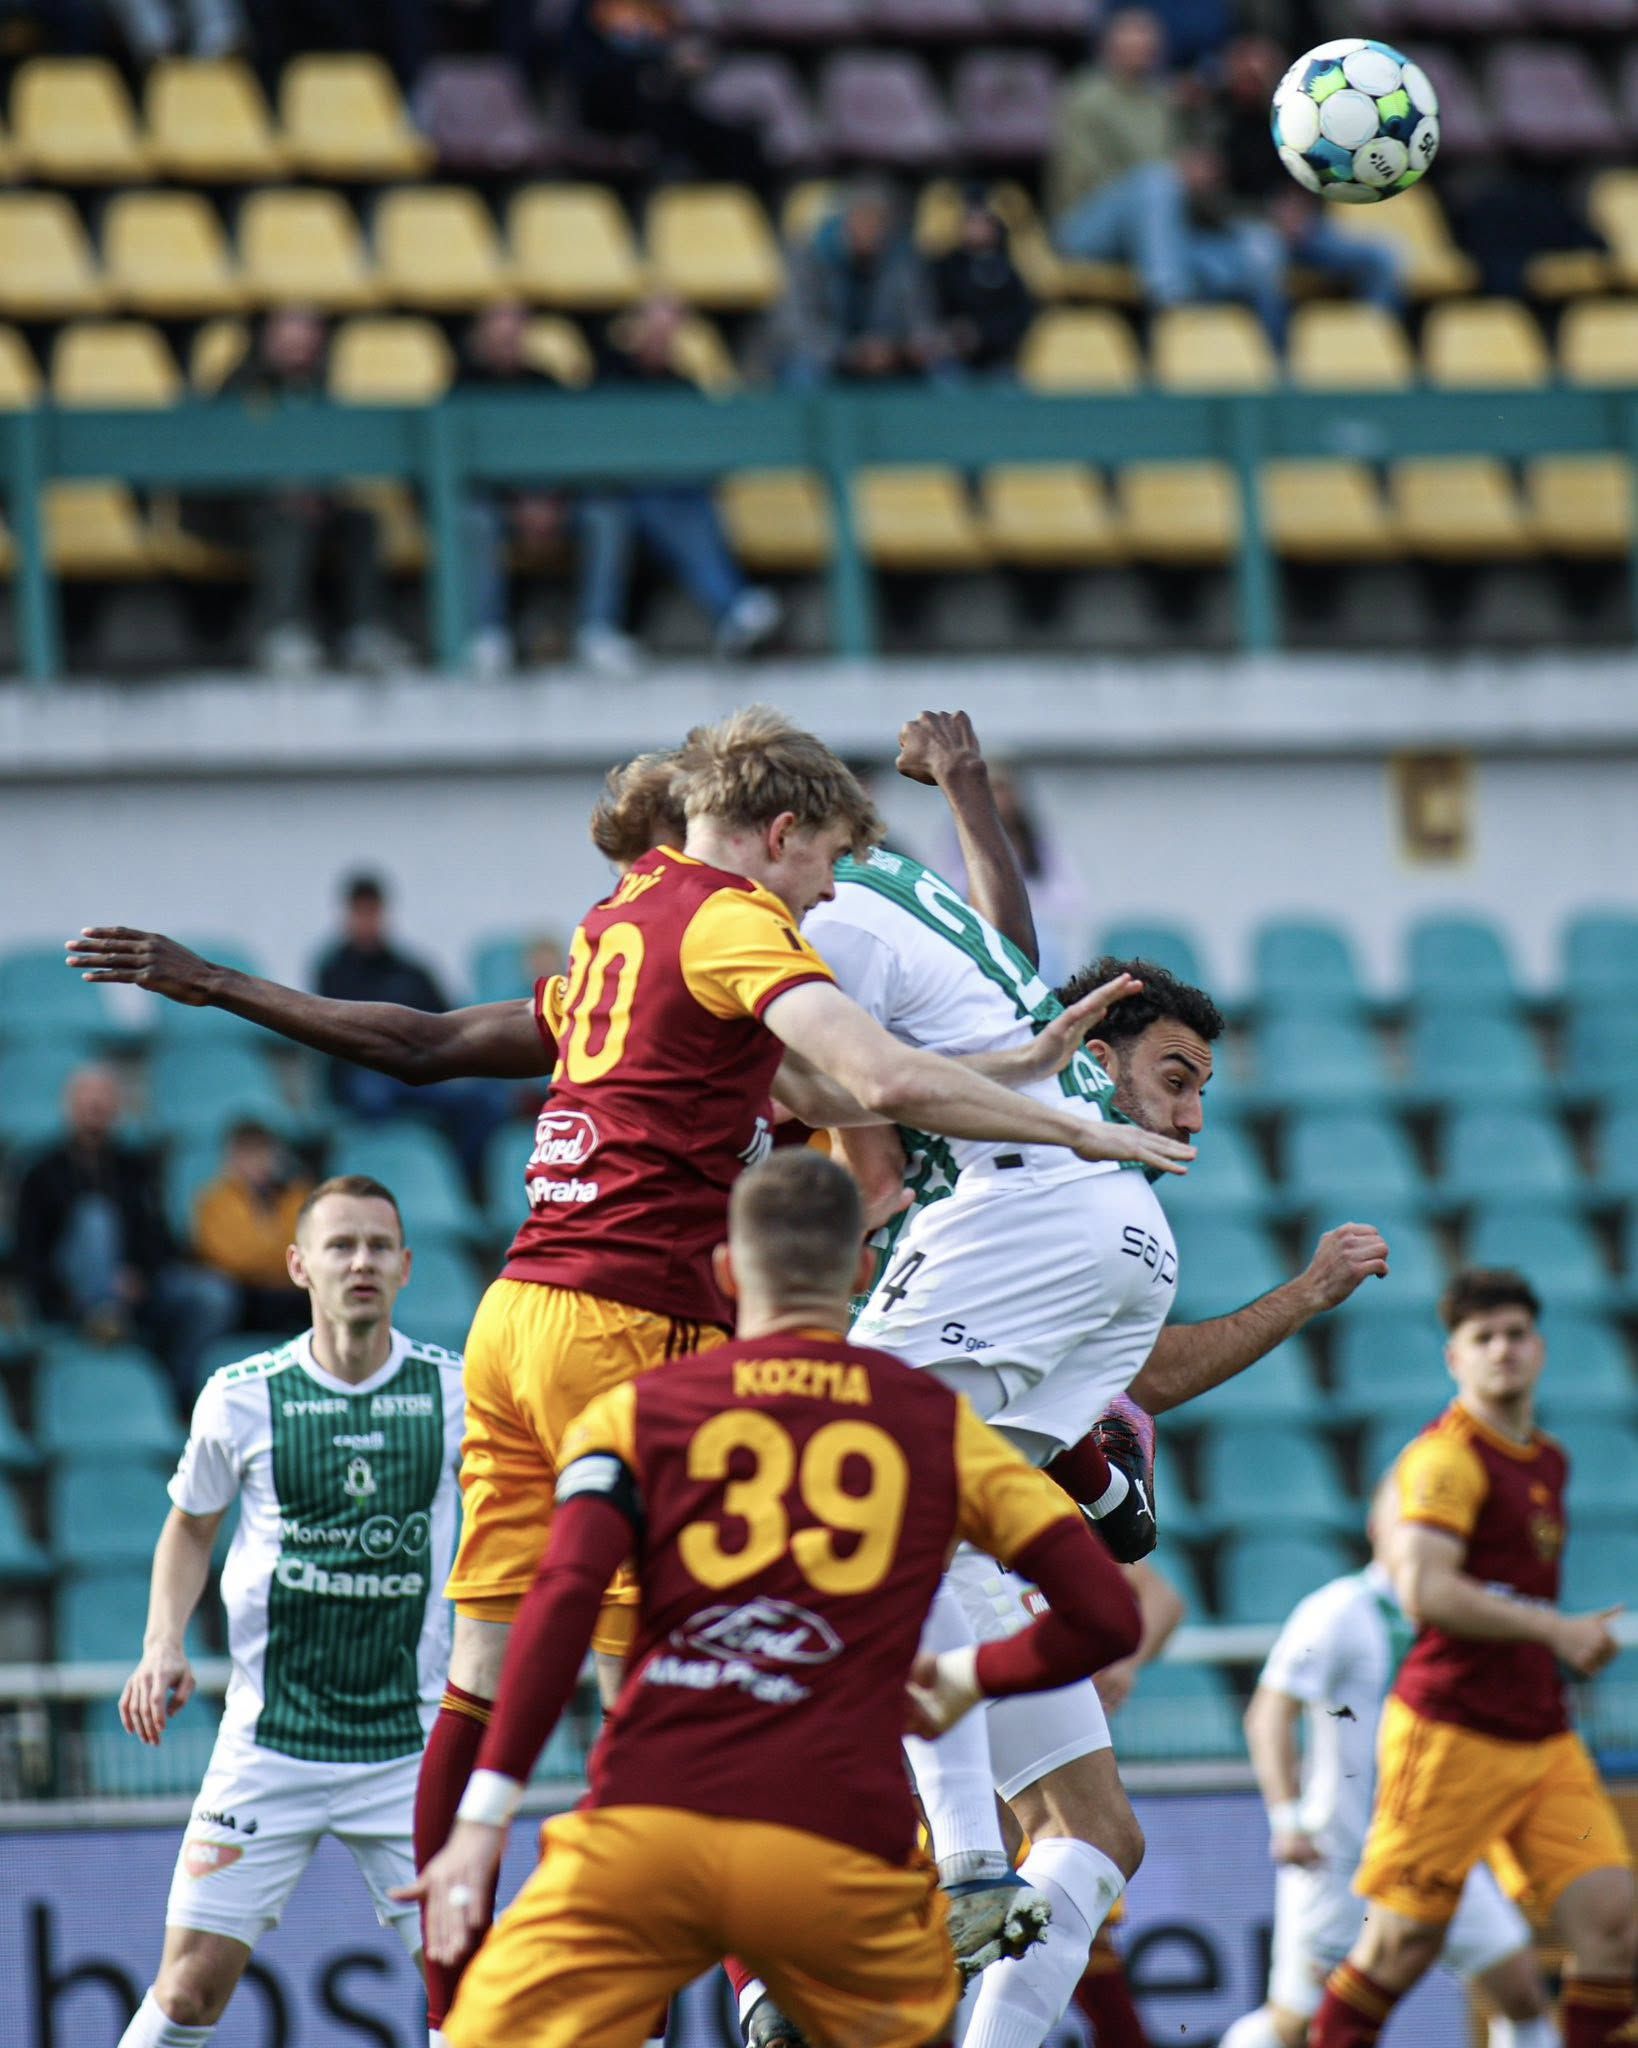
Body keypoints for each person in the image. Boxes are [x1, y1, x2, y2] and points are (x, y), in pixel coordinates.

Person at [69, 709, 1193, 2040]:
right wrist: (1075, 1127)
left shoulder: (618, 924)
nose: (829, 895)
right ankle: (748, 1978)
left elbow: (442, 1047)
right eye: (825, 863)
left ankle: (452, 2010)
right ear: (779, 834)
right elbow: (875, 1070)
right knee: (704, 1668)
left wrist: (222, 985)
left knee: (479, 1682)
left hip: (517, 1316)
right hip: (633, 1326)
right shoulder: (735, 921)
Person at [742, 872, 1388, 2046]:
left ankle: (888, 1937)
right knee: (895, 1507)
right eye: (1175, 1080)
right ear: (1093, 1049)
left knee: (1099, 1829)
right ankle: (902, 1898)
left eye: (1204, 1092)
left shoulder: (1054, 1175)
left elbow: (1149, 1371)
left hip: (959, 1519)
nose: (1194, 1119)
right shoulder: (1024, 1153)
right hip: (912, 1485)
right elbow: (1008, 954)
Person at [399, 1148, 1146, 2048]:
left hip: (651, 1825)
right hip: (834, 1850)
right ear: (865, 1270)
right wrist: (970, 1677)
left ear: (723, 1273)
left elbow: (562, 1602)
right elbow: (1107, 1616)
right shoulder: (932, 1426)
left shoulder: (637, 1414)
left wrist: (484, 1818)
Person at [112, 1175, 466, 2048]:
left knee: (472, 1991)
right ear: (298, 1265)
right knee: (190, 1991)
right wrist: (162, 1643)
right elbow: (189, 1529)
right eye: (341, 1246)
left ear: (408, 1267)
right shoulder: (241, 1392)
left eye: (380, 1246)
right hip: (271, 1744)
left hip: (408, 1749)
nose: (362, 1262)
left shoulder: (458, 1396)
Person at [1308, 1269, 1637, 2048]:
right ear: (1455, 1358)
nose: (1504, 1351)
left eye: (1516, 1334)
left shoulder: (1547, 1459)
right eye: (1483, 1338)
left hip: (1541, 1736)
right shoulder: (1445, 1460)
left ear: (1541, 1348)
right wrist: (1556, 1633)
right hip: (1451, 1736)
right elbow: (1426, 1591)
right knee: (1399, 1948)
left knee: (1616, 1931)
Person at [1223, 1475, 1557, 2048]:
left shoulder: (1471, 1612)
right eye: (1413, 1520)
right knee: (1298, 2025)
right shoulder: (1336, 1611)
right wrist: (1286, 1818)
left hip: (1441, 1849)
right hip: (1344, 1858)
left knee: (1523, 1995)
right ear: (1378, 1528)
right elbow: (1269, 1711)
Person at [574, 297, 782, 678]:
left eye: (669, 329)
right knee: (654, 503)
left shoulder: (682, 382)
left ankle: (734, 609)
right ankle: (732, 605)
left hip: (672, 490)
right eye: (655, 326)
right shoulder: (610, 371)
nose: (661, 337)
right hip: (617, 489)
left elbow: (701, 445)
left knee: (693, 499)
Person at [1045, 10, 1283, 339]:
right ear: (1110, 49)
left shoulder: (1164, 99)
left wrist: (1198, 175)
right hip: (1086, 226)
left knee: (1259, 243)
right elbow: (1085, 179)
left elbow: (1184, 172)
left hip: (1158, 230)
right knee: (1156, 184)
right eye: (1133, 45)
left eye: (1149, 46)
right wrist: (1174, 177)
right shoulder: (1087, 98)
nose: (1143, 53)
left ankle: (1271, 352)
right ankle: (1174, 314)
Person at [15, 1064, 235, 1407]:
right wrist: (63, 1294)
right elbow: (29, 1251)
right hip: (71, 1297)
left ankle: (180, 1397)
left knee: (211, 1295)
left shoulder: (135, 1167)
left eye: (104, 1099)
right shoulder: (41, 1171)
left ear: (117, 1107)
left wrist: (141, 1278)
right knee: (95, 1218)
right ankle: (102, 1317)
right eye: (88, 1098)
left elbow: (160, 1237)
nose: (96, 1107)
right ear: (68, 1105)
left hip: (137, 1293)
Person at [219, 307, 407, 679]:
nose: (301, 341)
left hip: (315, 502)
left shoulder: (321, 386)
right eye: (290, 330)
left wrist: (321, 493)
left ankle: (365, 631)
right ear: (267, 336)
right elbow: (222, 458)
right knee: (285, 519)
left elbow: (338, 455)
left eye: (309, 330)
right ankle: (280, 631)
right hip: (237, 507)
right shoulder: (239, 387)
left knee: (360, 522)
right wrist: (277, 490)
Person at [1208, 36, 1405, 338]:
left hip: (1302, 230)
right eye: (1245, 71)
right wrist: (1268, 215)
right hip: (1244, 227)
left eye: (1262, 72)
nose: (1253, 79)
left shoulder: (1299, 115)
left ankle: (1369, 348)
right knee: (1264, 257)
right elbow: (1209, 198)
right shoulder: (1213, 120)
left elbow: (1324, 176)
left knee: (1383, 257)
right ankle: (1278, 362)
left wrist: (1302, 208)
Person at [314, 872, 509, 1176]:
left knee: (486, 1100)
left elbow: (447, 1024)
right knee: (372, 1096)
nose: (368, 921)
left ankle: (460, 1180)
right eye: (360, 913)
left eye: (373, 912)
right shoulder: (333, 971)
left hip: (418, 1072)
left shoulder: (411, 970)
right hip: (368, 1074)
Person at [1068, 1557, 1188, 2048]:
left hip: (1058, 1762)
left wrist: (1126, 1664)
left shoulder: (1038, 1507)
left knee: (1077, 1923)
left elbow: (1163, 1599)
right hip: (968, 1763)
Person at [456, 298, 567, 679]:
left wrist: (549, 499)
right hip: (493, 504)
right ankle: (488, 633)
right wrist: (517, 503)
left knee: (606, 514)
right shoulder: (462, 385)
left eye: (514, 332)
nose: (507, 341)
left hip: (552, 503)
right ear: (482, 337)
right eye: (498, 333)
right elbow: (457, 467)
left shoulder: (546, 384)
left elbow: (570, 451)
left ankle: (598, 631)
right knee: (476, 520)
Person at [773, 180, 949, 388]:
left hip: (892, 358)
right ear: (844, 221)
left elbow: (921, 320)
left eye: (878, 223)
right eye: (862, 220)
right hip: (829, 359)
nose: (870, 230)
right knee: (801, 375)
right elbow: (794, 328)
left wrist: (900, 349)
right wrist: (848, 353)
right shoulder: (810, 257)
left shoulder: (902, 261)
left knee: (947, 375)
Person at [938, 762, 1088, 986]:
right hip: (980, 934)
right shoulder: (958, 841)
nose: (997, 799)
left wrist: (1022, 904)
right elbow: (947, 889)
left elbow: (1070, 895)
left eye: (1001, 790)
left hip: (1037, 935)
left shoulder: (1036, 844)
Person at [191, 1118, 312, 1338]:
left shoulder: (297, 1196)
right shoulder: (215, 1200)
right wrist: (278, 1255)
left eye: (263, 1153)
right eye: (247, 1154)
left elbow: (311, 1249)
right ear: (232, 1159)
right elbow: (230, 1258)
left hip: (291, 1290)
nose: (257, 1163)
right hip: (244, 1293)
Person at [930, 194, 1037, 382]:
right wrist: (953, 333)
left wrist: (981, 335)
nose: (977, 229)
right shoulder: (946, 267)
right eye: (971, 222)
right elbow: (931, 311)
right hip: (954, 359)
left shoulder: (1010, 270)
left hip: (998, 360)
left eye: (983, 222)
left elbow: (1019, 318)